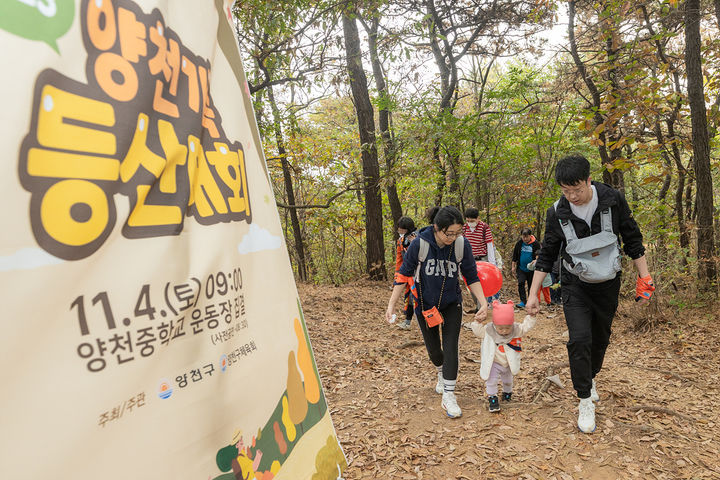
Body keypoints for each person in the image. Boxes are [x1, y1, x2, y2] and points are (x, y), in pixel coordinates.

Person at [526, 154, 654, 434]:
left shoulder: (613, 200)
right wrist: (533, 294)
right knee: (580, 339)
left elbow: (632, 238)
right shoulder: (557, 212)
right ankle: (584, 398)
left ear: (588, 180)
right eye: (565, 191)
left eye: (577, 189)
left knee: (600, 339)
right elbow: (547, 254)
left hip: (608, 283)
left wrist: (644, 276)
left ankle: (590, 376)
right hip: (575, 284)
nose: (572, 196)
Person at [386, 206, 488, 419]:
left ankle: (449, 394)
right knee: (434, 350)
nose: (453, 237)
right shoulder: (419, 244)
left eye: (457, 232)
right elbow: (403, 274)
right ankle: (441, 372)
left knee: (451, 346)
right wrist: (391, 304)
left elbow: (471, 275)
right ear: (437, 228)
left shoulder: (461, 245)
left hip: (452, 303)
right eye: (448, 233)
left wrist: (483, 302)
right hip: (425, 305)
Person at [470, 301, 536, 412]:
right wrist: (477, 322)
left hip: (508, 363)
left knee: (508, 379)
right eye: (500, 328)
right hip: (494, 362)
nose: (504, 331)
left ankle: (507, 393)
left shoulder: (516, 330)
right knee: (491, 380)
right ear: (494, 324)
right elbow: (477, 331)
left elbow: (526, 327)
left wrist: (532, 316)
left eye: (507, 328)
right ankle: (492, 397)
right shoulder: (489, 331)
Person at [462, 207, 499, 311]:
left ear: (478, 218)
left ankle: (482, 307)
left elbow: (489, 244)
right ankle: (479, 305)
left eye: (472, 221)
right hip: (469, 260)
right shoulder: (464, 228)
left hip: (482, 260)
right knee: (470, 284)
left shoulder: (484, 227)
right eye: (468, 221)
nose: (470, 223)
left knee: (482, 284)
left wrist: (492, 263)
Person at [394, 216, 417, 330]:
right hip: (407, 274)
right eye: (399, 230)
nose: (400, 232)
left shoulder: (418, 239)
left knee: (417, 298)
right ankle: (407, 321)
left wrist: (414, 244)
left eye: (402, 230)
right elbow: (399, 258)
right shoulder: (400, 241)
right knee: (409, 298)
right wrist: (397, 275)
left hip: (419, 275)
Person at [511, 228, 541, 308]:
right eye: (523, 237)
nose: (524, 239)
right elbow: (515, 256)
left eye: (526, 237)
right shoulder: (519, 243)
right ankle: (523, 301)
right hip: (521, 268)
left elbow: (539, 255)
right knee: (521, 283)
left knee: (531, 285)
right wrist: (513, 267)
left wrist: (535, 260)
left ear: (530, 236)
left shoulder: (535, 244)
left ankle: (531, 301)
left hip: (532, 269)